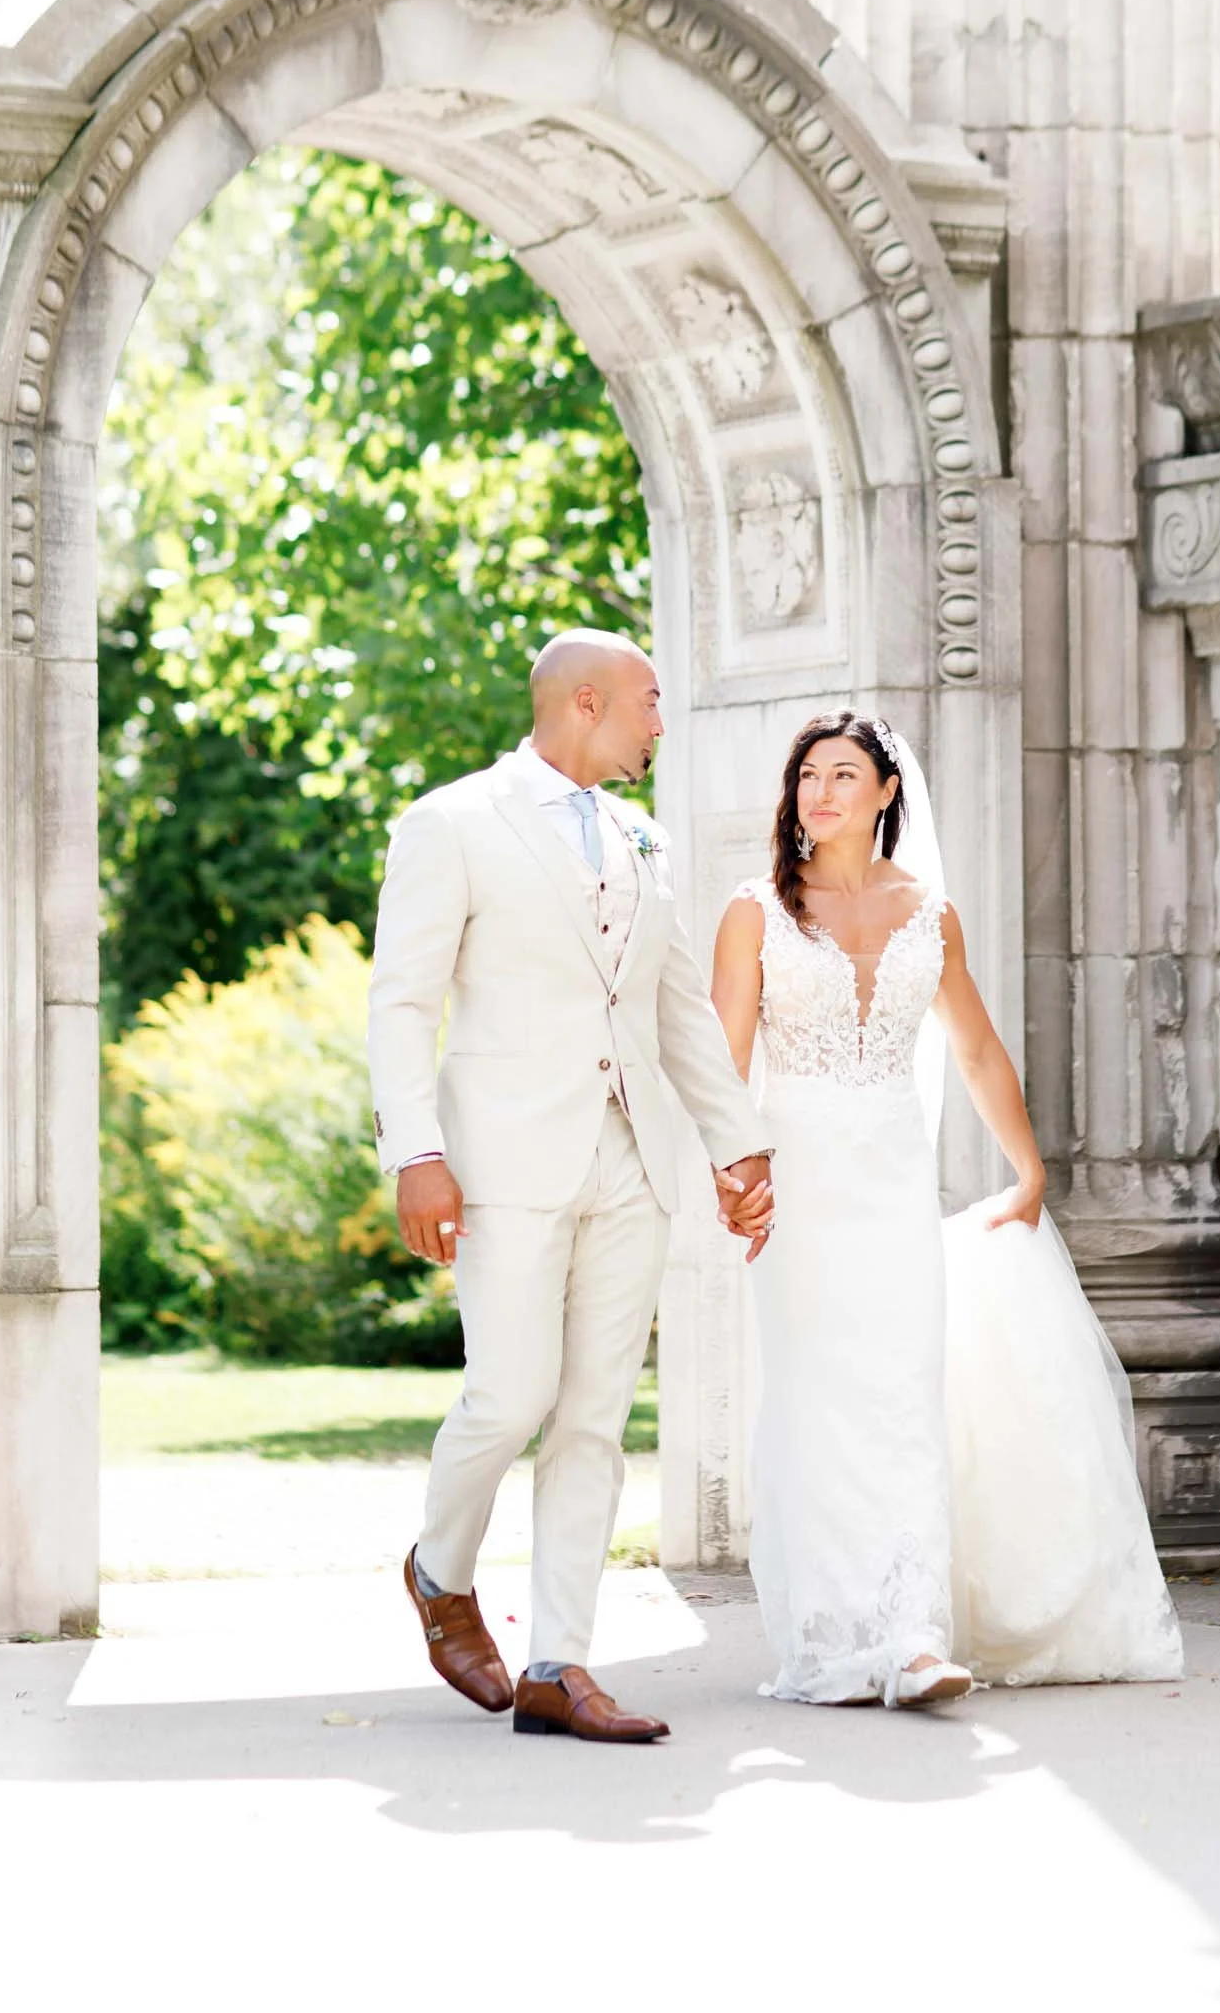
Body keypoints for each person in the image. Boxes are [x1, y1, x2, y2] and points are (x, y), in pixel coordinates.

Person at [711, 712, 1183, 1706]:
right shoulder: (754, 911)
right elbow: (724, 1058)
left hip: (889, 1186)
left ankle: (914, 1632)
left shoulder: (931, 913)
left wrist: (1027, 1167)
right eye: (808, 775)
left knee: (898, 1400)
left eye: (844, 773)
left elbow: (971, 1047)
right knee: (814, 1403)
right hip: (795, 1192)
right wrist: (731, 1172)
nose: (821, 791)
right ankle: (834, 1634)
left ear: (887, 792)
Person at [367, 629, 774, 1744]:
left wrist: (737, 1144)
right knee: (508, 1393)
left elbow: (676, 1004)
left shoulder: (644, 834)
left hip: (630, 1156)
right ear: (585, 700)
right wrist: (413, 1151)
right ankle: (437, 1569)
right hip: (499, 1156)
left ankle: (558, 1663)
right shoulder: (451, 823)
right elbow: (400, 1002)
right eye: (648, 701)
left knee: (595, 1415)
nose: (658, 722)